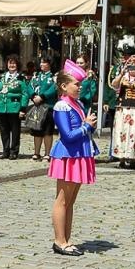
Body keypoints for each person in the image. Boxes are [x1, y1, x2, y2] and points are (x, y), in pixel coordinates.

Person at [49, 59, 98, 256]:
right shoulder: (62, 106)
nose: (80, 87)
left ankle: (66, 238)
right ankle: (59, 240)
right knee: (62, 200)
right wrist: (86, 126)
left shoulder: (75, 104)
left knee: (70, 201)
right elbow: (67, 136)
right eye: (76, 84)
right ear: (63, 86)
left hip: (78, 154)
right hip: (68, 155)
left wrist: (88, 125)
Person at [110, 54, 135, 168]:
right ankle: (121, 158)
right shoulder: (123, 76)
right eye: (131, 65)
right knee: (121, 132)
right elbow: (114, 85)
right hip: (123, 109)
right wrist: (122, 72)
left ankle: (133, 159)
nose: (133, 68)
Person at [0, 55, 26, 160]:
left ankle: (14, 151)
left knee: (15, 131)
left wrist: (23, 108)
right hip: (2, 107)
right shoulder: (1, 77)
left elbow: (24, 93)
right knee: (4, 130)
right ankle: (5, 150)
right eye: (10, 63)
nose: (12, 65)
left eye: (14, 63)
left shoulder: (20, 78)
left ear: (17, 65)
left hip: (14, 107)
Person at [25, 57, 57, 161]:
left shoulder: (53, 77)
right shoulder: (36, 76)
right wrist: (33, 96)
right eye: (41, 62)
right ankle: (36, 152)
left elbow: (54, 88)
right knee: (36, 130)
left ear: (49, 64)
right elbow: (29, 86)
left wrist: (42, 97)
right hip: (37, 106)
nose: (42, 64)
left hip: (48, 106)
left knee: (48, 131)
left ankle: (47, 153)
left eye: (44, 62)